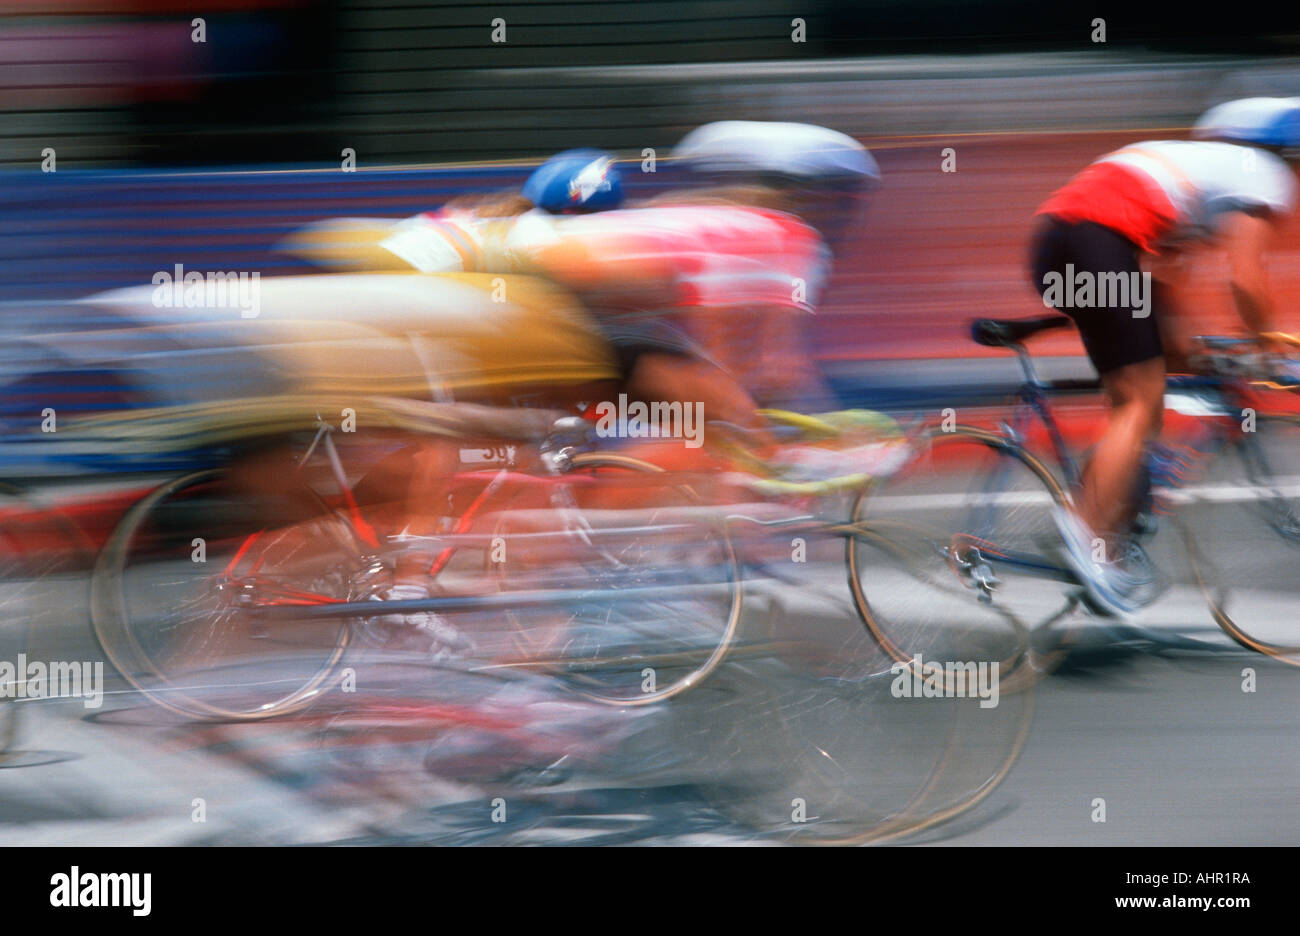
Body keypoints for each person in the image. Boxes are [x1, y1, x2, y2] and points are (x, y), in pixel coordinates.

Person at [1030, 96, 1300, 615]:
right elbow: (1245, 279)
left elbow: (1158, 285)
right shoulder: (1264, 173)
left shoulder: (1197, 180)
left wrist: (1191, 354)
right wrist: (1266, 342)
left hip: (1057, 247)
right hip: (1094, 243)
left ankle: (1092, 519)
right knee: (1140, 404)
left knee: (1134, 397)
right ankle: (1087, 536)